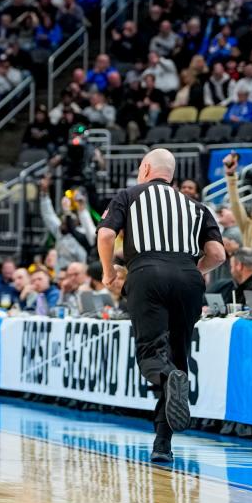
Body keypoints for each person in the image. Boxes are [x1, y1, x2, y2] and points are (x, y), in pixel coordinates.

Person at [97, 148, 225, 464]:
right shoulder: (197, 206)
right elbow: (218, 254)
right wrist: (193, 272)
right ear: (172, 176)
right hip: (188, 277)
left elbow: (105, 234)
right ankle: (162, 443)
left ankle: (167, 379)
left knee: (152, 354)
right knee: (178, 356)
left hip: (147, 273)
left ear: (145, 168)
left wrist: (108, 271)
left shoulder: (129, 195)